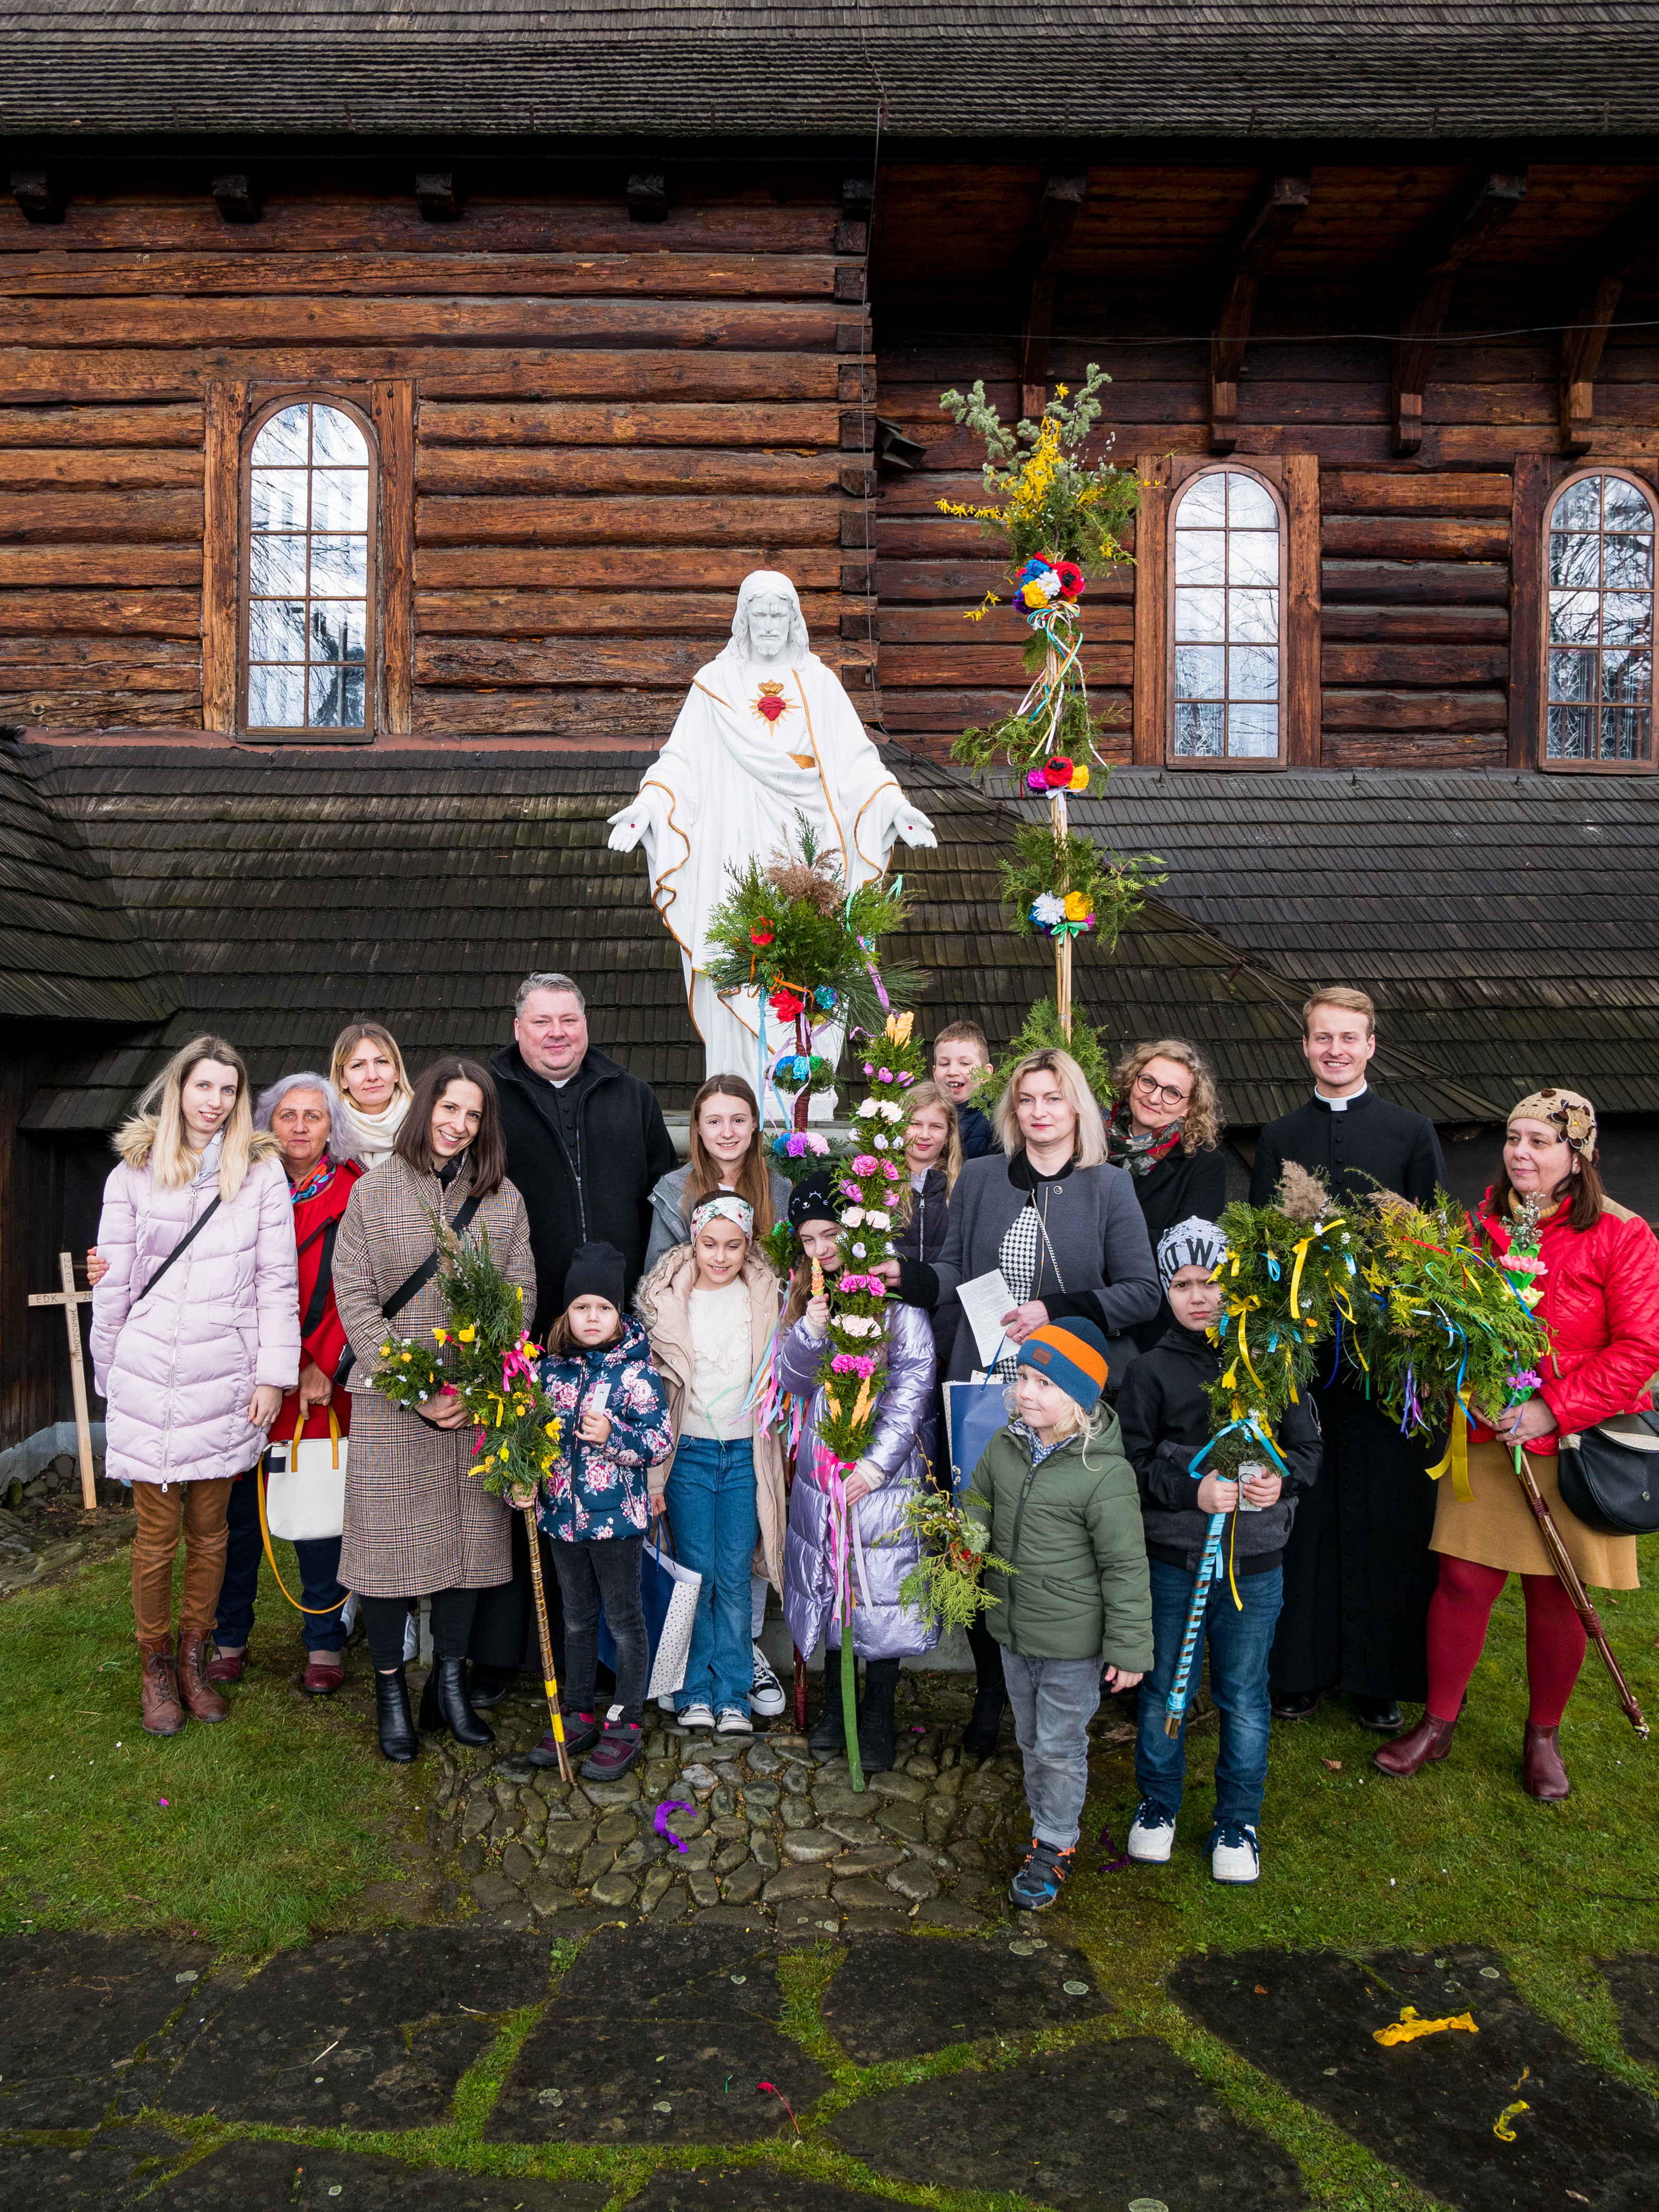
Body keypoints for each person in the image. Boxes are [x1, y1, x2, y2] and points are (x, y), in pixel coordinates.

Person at [1375, 1088, 1659, 1800]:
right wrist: (1460, 1378)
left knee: (1555, 1593)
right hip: (1487, 1433)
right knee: (1461, 1581)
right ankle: (1437, 1723)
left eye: (1539, 1141)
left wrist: (1551, 1409)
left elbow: (1638, 1348)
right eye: (1512, 1138)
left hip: (1573, 1442)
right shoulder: (1479, 1229)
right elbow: (1447, 1323)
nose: (1519, 1153)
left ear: (1577, 1155)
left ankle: (1541, 1736)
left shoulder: (1621, 1234)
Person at [606, 568, 936, 1089]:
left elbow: (857, 763)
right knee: (737, 954)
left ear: (792, 619)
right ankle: (737, 1095)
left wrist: (894, 806)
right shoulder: (715, 683)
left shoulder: (819, 683)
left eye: (776, 614)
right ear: (743, 618)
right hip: (733, 845)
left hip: (810, 846)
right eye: (758, 614)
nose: (766, 625)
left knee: (810, 965)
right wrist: (646, 807)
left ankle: (804, 1101)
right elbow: (680, 763)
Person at [922, 1046, 1161, 1755]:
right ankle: (989, 1688)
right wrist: (901, 1277)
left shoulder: (1107, 1186)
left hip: (1064, 1399)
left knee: (1055, 1546)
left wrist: (1054, 1309)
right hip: (987, 1389)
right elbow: (953, 1270)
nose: (1037, 1111)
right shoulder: (981, 1177)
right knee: (979, 1538)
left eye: (1052, 1098)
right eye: (1025, 1099)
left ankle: (1058, 1687)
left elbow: (1142, 1292)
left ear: (1075, 1107)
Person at [1249, 987, 1448, 1732]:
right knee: (1304, 1505)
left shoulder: (1410, 1131)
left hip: (1386, 1356)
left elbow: (1433, 1245)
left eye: (1347, 1037)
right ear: (1305, 1046)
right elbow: (1261, 1245)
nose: (1334, 1049)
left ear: (1370, 1045)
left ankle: (1379, 1675)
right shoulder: (1278, 1135)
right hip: (1305, 1353)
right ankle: (1296, 1669)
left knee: (1388, 1509)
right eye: (1321, 1037)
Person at [89, 1037, 298, 1738]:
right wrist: (109, 1371)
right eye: (204, 1086)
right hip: (148, 1370)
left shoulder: (261, 1174)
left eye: (228, 1090)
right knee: (156, 1535)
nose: (215, 1101)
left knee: (211, 1532)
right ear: (178, 1088)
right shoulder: (133, 1172)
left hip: (226, 1375)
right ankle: (154, 1665)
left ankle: (193, 1660)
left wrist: (272, 1375)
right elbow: (114, 1282)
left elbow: (277, 1281)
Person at [478, 971, 677, 1698]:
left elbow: (665, 1203)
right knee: (524, 1488)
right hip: (526, 1329)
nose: (557, 1033)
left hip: (617, 1329)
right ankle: (507, 1656)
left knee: (604, 1492)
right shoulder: (488, 1095)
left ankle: (603, 1665)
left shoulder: (631, 1094)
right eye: (542, 1021)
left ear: (585, 1024)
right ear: (518, 1027)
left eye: (568, 1019)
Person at [332, 1057, 536, 1763]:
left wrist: (478, 1387)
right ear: (425, 1108)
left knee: (466, 1551)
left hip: (474, 1404)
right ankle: (390, 1689)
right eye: (450, 1108)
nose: (459, 1124)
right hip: (393, 1402)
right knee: (388, 1553)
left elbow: (519, 1296)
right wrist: (416, 1387)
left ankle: (448, 1684)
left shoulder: (502, 1198)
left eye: (473, 1114)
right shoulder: (374, 1192)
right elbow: (354, 1297)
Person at [1117, 1218, 1323, 1884]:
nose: (1198, 1297)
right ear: (1164, 1291)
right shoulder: (1148, 1371)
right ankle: (1158, 1803)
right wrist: (1191, 1491)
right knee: (1162, 1690)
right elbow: (1132, 1463)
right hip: (1172, 1562)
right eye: (1181, 1285)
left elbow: (1307, 1451)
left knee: (1242, 1694)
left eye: (1210, 1282)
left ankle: (1238, 1819)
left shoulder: (1271, 1360)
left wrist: (1279, 1480)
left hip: (1253, 1564)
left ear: (1232, 1286)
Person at [965, 1317, 1151, 1911]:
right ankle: (1045, 1819)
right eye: (1022, 1377)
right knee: (1029, 1736)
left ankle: (1054, 1842)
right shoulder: (1005, 1446)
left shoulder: (1104, 1473)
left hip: (1073, 1642)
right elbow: (978, 1499)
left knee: (1059, 1744)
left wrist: (1128, 1648)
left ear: (1077, 1398)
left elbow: (1125, 1567)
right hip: (1013, 1628)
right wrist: (967, 1539)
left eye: (1043, 1383)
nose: (1025, 1392)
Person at [774, 1174, 940, 1774]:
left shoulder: (891, 1296)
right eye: (808, 1240)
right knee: (832, 1573)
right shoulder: (810, 1293)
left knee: (881, 1583)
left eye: (830, 1235)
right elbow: (792, 1381)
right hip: (826, 1464)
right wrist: (810, 1332)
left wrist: (876, 1464)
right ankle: (836, 1699)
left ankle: (878, 1711)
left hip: (883, 1469)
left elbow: (913, 1382)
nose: (820, 1250)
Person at [642, 1074, 791, 1719]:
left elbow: (791, 1292)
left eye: (738, 1119)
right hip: (693, 1433)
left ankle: (736, 1674)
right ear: (696, 1128)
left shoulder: (778, 1191)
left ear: (754, 1125)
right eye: (713, 1120)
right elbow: (658, 1300)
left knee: (736, 1566)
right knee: (697, 1564)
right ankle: (693, 1680)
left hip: (749, 1423)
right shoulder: (673, 1194)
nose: (726, 1132)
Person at [209, 1073, 362, 1695]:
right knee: (238, 1518)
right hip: (241, 1374)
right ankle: (228, 1636)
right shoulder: (237, 1183)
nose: (300, 1127)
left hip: (317, 1380)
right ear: (266, 1124)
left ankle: (324, 1641)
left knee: (317, 1510)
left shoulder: (355, 1192)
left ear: (332, 1128)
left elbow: (362, 1287)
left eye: (313, 1116)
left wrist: (323, 1363)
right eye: (287, 1115)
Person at [524, 1240, 675, 1781]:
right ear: (567, 1312)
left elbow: (659, 1442)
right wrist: (522, 1480)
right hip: (560, 1519)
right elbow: (528, 1438)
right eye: (581, 1306)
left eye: (604, 1307)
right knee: (576, 1617)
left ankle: (627, 1719)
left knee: (624, 1619)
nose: (592, 1317)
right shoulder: (549, 1371)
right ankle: (579, 1710)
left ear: (618, 1313)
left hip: (617, 1522)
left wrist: (613, 1436)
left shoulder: (635, 1373)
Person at [1106, 1039, 1228, 1354]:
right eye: (1148, 1082)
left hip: (1155, 1327)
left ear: (1189, 1107)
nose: (1154, 1097)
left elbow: (1185, 1247)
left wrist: (1099, 1235)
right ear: (1131, 1081)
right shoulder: (1089, 1146)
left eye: (1172, 1092)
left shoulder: (1203, 1163)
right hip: (1092, 1312)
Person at [329, 1021, 413, 1172]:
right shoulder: (326, 1134)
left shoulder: (426, 1126)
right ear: (342, 1079)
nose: (372, 1076)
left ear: (397, 1072)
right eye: (358, 1065)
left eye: (381, 1062)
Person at [933, 1021, 997, 1160]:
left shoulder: (995, 1124)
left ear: (986, 1073)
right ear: (935, 1073)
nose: (952, 1071)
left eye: (965, 1063)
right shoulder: (925, 1116)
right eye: (944, 1064)